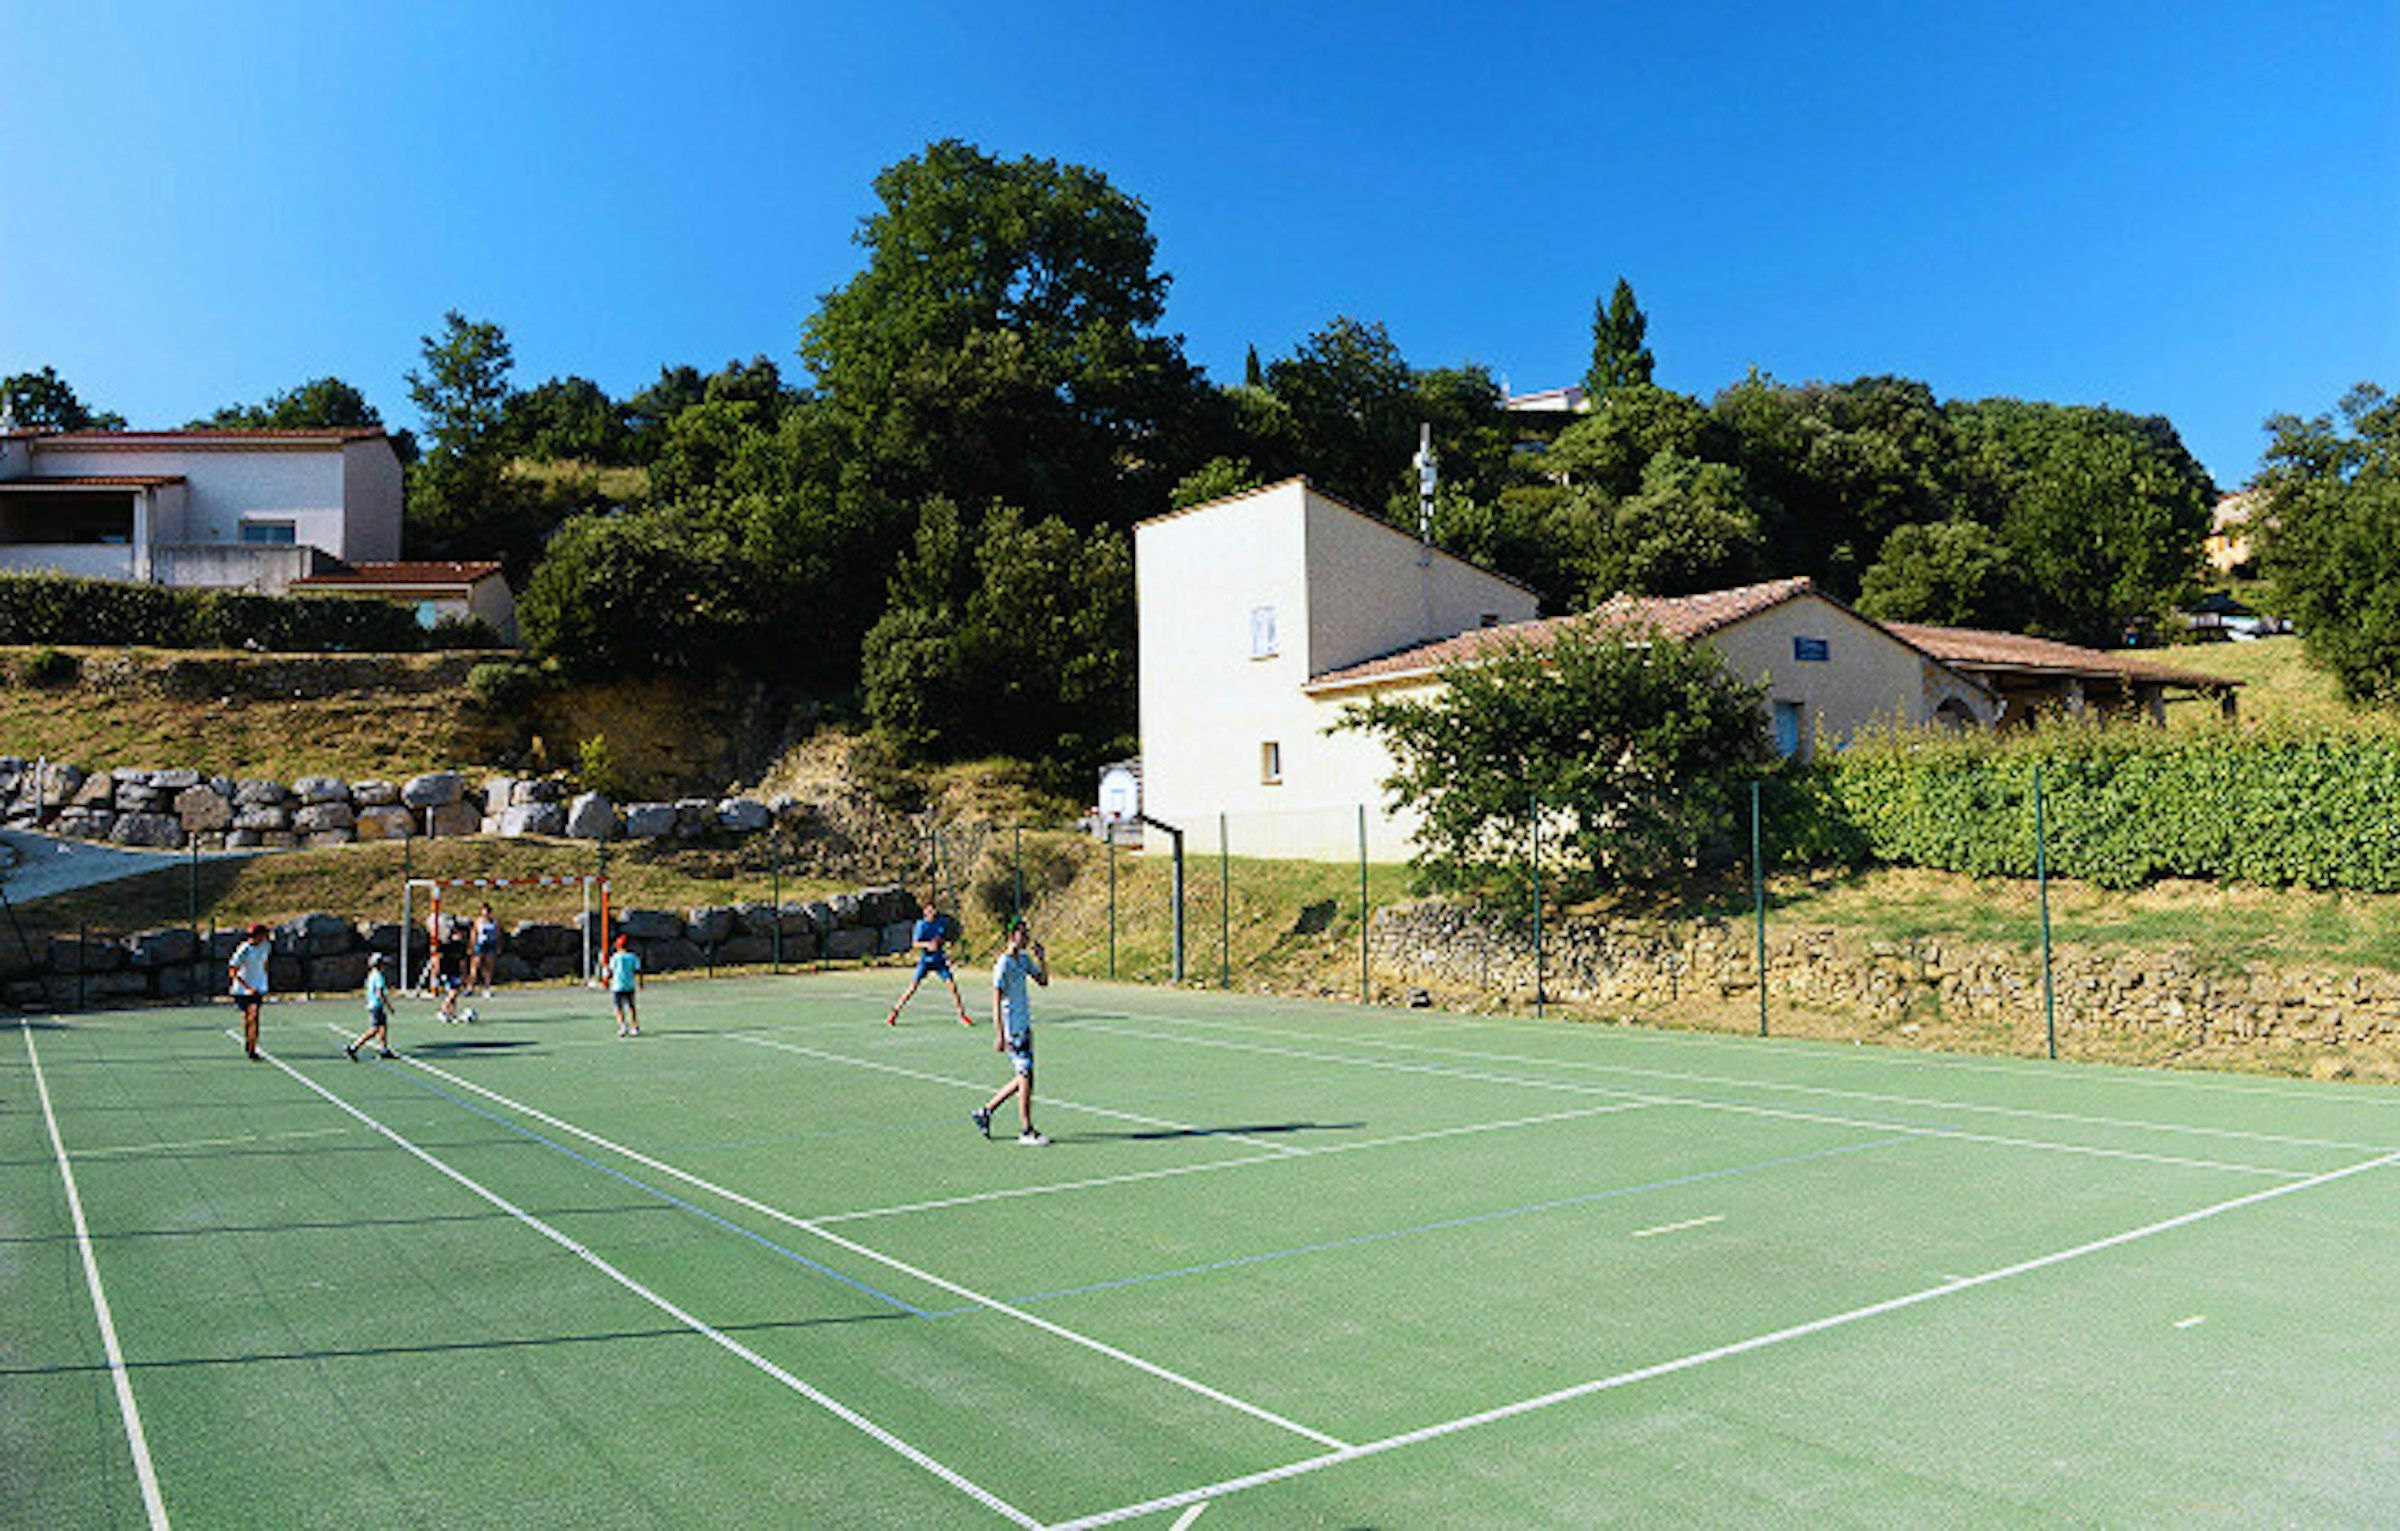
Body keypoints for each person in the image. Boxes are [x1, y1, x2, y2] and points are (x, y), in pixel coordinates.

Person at [972, 918, 1050, 1146]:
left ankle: (985, 1112)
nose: (1026, 938)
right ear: (1012, 936)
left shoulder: (1024, 959)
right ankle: (1026, 1130)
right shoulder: (1003, 964)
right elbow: (996, 1001)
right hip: (1012, 1030)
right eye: (1022, 934)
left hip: (1025, 1026)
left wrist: (1042, 960)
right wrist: (999, 1034)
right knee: (1025, 1075)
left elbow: (1042, 981)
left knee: (1025, 1077)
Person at [884, 896, 973, 1027]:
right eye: (930, 911)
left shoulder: (941, 922)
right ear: (925, 912)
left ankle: (962, 1015)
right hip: (926, 961)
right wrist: (927, 945)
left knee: (952, 986)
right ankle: (894, 1013)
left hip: (939, 961)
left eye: (934, 910)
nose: (933, 913)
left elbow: (945, 937)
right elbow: (915, 944)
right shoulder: (921, 926)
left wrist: (944, 943)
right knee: (913, 987)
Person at [228, 923, 272, 1061]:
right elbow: (232, 972)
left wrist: (263, 981)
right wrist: (247, 987)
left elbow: (265, 962)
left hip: (258, 988)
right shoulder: (244, 950)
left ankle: (252, 1047)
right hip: (242, 990)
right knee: (248, 1018)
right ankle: (249, 1039)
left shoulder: (266, 946)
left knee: (254, 1016)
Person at [347, 954, 397, 1060]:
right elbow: (380, 993)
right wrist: (389, 1006)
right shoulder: (378, 976)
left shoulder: (372, 975)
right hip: (376, 1006)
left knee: (383, 1027)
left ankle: (384, 1049)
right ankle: (354, 1047)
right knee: (374, 1030)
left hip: (374, 1005)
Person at [606, 934, 642, 1038]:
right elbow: (638, 971)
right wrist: (640, 983)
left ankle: (622, 1026)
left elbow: (610, 971)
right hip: (629, 985)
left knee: (618, 1007)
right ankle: (634, 1026)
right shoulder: (633, 957)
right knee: (631, 1006)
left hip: (617, 986)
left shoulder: (615, 958)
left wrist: (607, 980)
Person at [468, 903, 500, 996]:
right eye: (484, 911)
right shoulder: (478, 921)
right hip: (480, 944)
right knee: (475, 965)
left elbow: (498, 935)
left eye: (487, 912)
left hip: (491, 944)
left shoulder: (494, 922)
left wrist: (498, 946)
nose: (485, 914)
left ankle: (486, 987)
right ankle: (470, 987)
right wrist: (472, 946)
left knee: (488, 966)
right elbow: (474, 934)